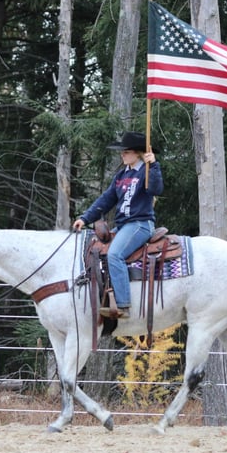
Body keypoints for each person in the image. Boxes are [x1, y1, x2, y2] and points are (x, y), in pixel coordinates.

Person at [73, 131, 163, 317]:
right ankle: (103, 297)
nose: (122, 154)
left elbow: (156, 189)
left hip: (140, 224)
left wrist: (153, 165)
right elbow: (106, 199)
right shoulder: (122, 175)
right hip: (123, 226)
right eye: (122, 151)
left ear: (138, 153)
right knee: (96, 250)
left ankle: (123, 305)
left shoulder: (146, 170)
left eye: (126, 151)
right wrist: (85, 218)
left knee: (114, 254)